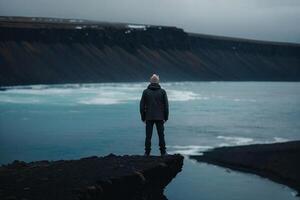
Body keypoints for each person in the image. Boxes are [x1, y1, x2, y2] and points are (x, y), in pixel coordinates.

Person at [140, 74, 169, 156]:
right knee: (161, 135)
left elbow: (142, 106)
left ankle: (147, 152)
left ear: (150, 81)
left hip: (148, 117)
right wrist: (166, 117)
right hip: (160, 117)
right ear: (158, 81)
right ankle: (163, 152)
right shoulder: (162, 92)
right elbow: (166, 106)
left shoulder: (145, 92)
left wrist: (143, 117)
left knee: (148, 136)